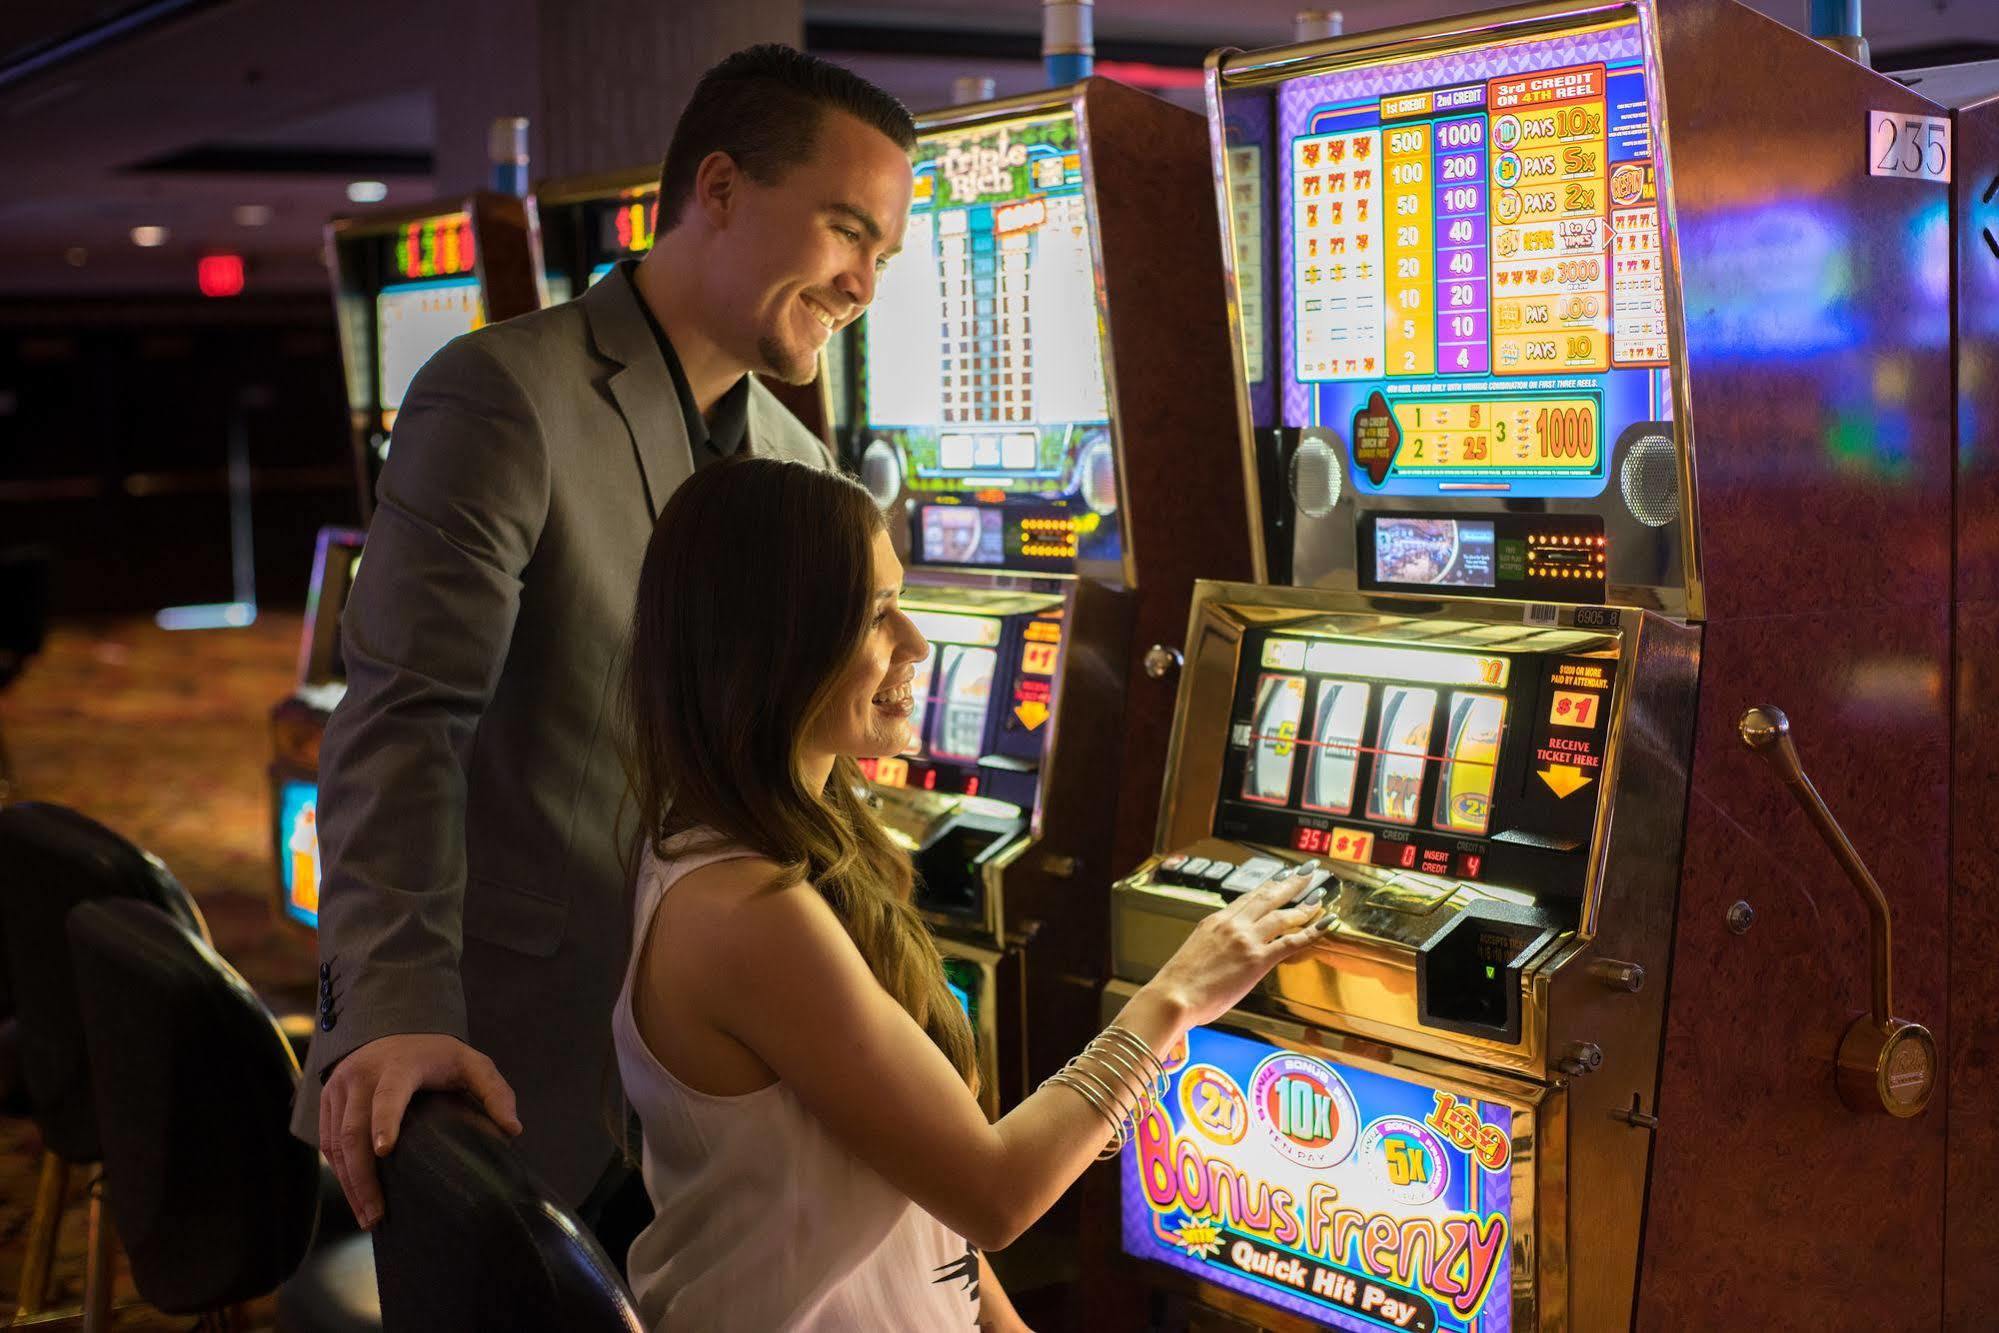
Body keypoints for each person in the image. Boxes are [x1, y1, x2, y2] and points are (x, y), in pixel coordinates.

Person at [294, 45, 920, 1228]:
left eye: (882, 255)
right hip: (503, 1058)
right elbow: (402, 721)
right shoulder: (502, 393)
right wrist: (391, 1008)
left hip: (714, 1083)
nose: (862, 288)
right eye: (846, 233)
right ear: (721, 190)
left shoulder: (804, 471)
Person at [615, 458, 1333, 1331]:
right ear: (773, 645)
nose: (917, 643)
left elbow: (917, 1191)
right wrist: (1178, 991)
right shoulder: (744, 910)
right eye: (877, 614)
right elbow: (992, 1189)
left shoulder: (771, 836)